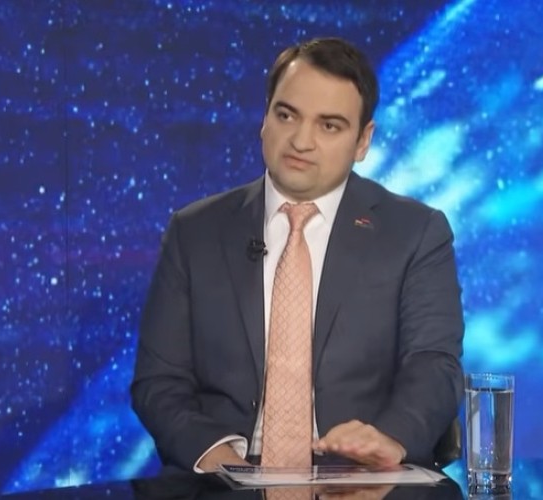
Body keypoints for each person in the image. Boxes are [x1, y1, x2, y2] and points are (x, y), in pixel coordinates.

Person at [130, 36, 464, 474]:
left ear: (363, 141)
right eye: (286, 115)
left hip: (358, 477)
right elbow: (159, 381)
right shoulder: (194, 232)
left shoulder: (415, 233)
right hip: (225, 475)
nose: (301, 141)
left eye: (329, 126)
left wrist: (389, 438)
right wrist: (217, 457)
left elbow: (434, 365)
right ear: (265, 118)